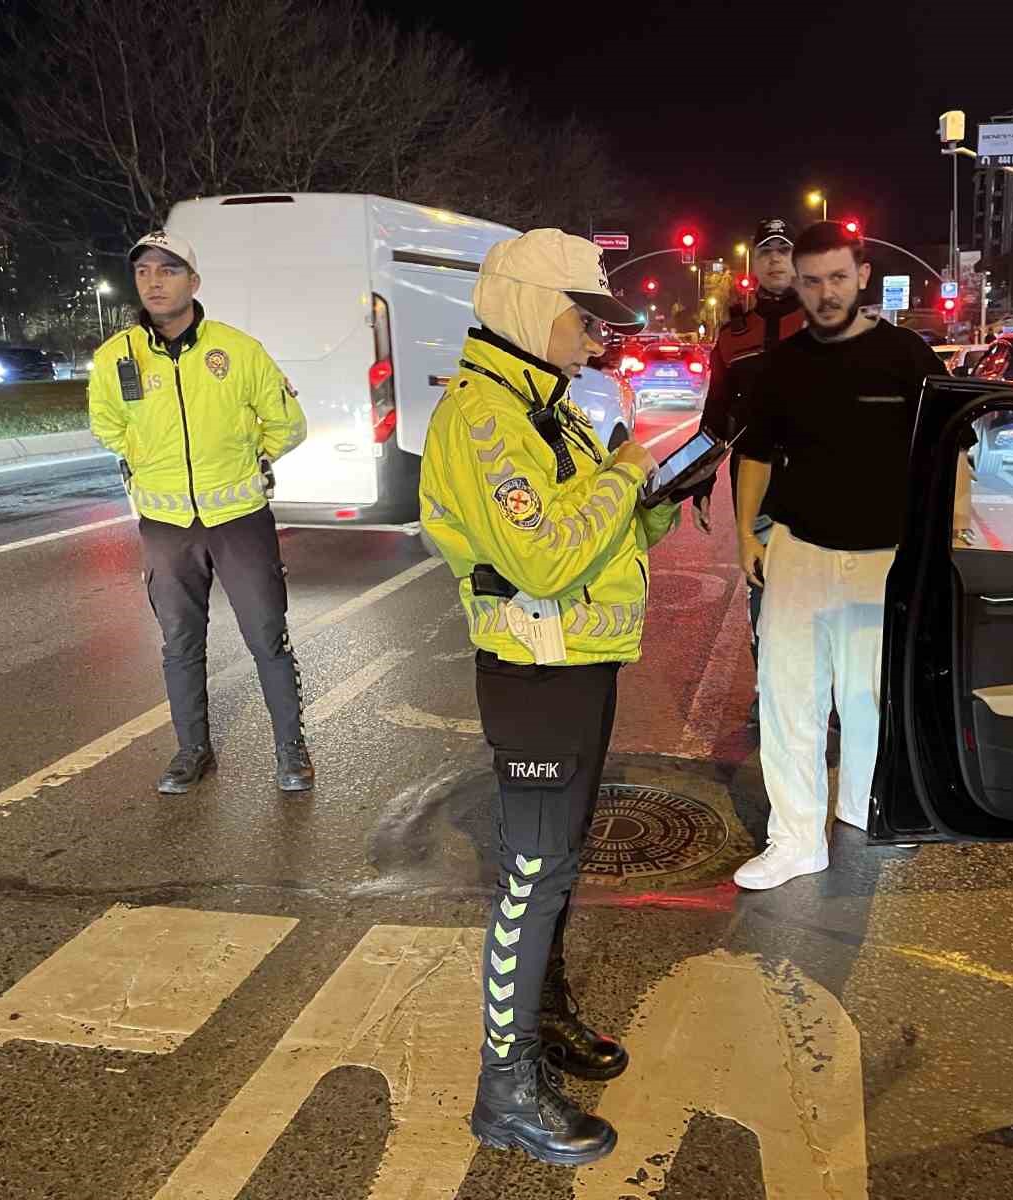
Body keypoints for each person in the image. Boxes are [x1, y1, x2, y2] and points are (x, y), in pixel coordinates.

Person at [419, 229, 680, 1166]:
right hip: (534, 674)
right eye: (585, 313)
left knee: (558, 868)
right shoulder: (485, 418)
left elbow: (593, 531)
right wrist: (625, 475)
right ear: (531, 309)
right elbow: (540, 553)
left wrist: (650, 494)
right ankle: (504, 1086)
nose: (598, 333)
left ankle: (544, 1018)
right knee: (531, 878)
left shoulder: (550, 406)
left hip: (577, 660)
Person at [730, 220, 940, 891]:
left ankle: (861, 809)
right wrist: (744, 535)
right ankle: (794, 840)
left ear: (863, 277)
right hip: (797, 547)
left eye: (837, 278)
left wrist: (943, 532)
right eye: (812, 280)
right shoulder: (784, 365)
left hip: (881, 557)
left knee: (868, 696)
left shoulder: (908, 357)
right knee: (790, 698)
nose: (824, 292)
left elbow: (953, 444)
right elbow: (755, 453)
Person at [88, 231, 311, 795]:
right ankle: (192, 751)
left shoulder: (237, 350)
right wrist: (143, 458)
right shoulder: (116, 358)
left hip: (238, 517)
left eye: (168, 270)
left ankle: (291, 752)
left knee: (267, 636)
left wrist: (250, 456)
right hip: (165, 525)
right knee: (180, 643)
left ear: (193, 281)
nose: (154, 281)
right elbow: (106, 426)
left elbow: (287, 423)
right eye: (143, 272)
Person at [692, 219, 806, 725]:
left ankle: (822, 691)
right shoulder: (735, 334)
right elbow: (716, 413)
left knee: (822, 589)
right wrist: (699, 479)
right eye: (767, 252)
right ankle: (771, 691)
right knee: (764, 590)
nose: (777, 259)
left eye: (785, 250)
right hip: (754, 484)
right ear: (754, 265)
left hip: (819, 480)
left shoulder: (825, 323)